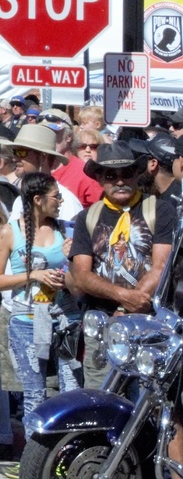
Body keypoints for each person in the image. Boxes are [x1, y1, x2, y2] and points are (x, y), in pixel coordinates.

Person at [69, 140, 177, 381]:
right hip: (103, 329)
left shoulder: (160, 209)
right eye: (110, 174)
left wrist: (127, 309)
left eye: (126, 173)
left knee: (149, 405)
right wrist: (123, 299)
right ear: (98, 178)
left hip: (150, 328)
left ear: (137, 174)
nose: (119, 181)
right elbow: (82, 275)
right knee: (102, 402)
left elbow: (162, 265)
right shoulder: (87, 218)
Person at [0, 171, 68, 439]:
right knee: (35, 394)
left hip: (63, 319)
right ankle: (35, 457)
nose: (61, 200)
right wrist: (33, 275)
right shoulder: (10, 232)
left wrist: (70, 266)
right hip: (25, 321)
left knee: (71, 390)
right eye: (56, 196)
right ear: (38, 199)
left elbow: (78, 277)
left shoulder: (65, 229)